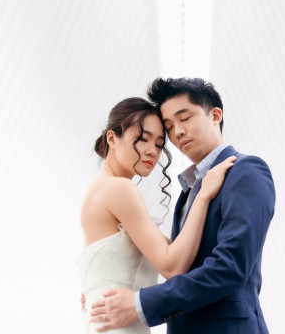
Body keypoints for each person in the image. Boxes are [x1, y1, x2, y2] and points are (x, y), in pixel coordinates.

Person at [90, 78, 275, 334]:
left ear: (215, 115)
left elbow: (230, 267)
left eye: (184, 118)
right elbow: (178, 258)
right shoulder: (191, 189)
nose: (177, 132)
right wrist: (100, 286)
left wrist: (141, 303)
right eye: (169, 127)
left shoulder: (245, 171)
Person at [79, 97, 235, 334]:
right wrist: (203, 194)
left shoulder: (98, 189)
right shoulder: (120, 189)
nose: (152, 151)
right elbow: (172, 266)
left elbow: (173, 252)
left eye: (160, 144)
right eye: (143, 139)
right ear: (112, 138)